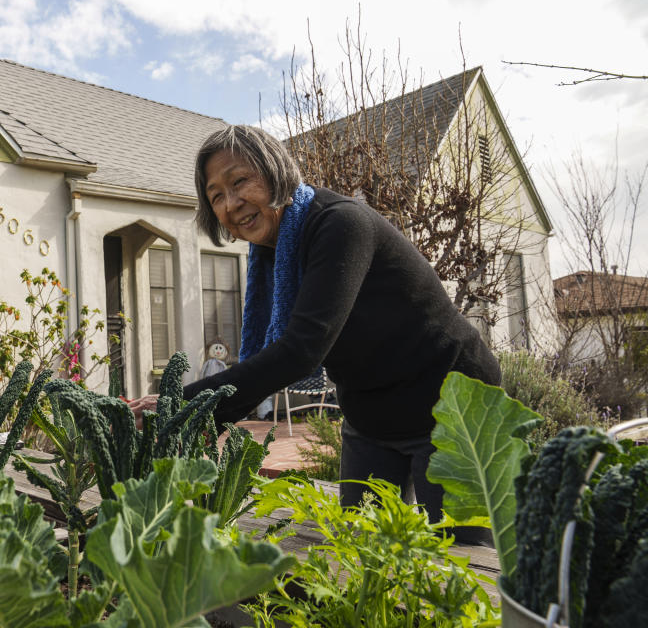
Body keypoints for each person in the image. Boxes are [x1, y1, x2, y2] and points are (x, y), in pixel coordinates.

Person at [129, 125, 501, 537]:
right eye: (216, 196)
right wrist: (199, 419)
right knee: (361, 554)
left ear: (274, 172)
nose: (232, 203)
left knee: (461, 563)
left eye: (240, 182)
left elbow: (301, 349)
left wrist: (184, 405)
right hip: (372, 415)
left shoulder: (340, 225)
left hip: (454, 403)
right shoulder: (271, 254)